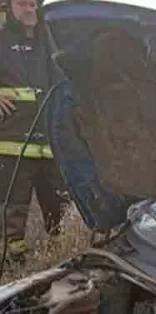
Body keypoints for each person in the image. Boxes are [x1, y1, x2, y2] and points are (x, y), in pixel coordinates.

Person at [0, 0, 69, 263]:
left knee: (58, 209)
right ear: (10, 8)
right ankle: (11, 266)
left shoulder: (50, 45)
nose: (29, 10)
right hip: (12, 145)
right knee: (12, 210)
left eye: (33, 4)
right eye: (23, 4)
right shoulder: (1, 41)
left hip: (51, 145)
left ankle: (59, 260)